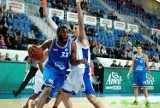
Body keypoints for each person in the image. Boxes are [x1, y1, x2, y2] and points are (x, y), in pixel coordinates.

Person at [62, 0, 104, 108]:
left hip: (83, 72)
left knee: (90, 97)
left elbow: (81, 23)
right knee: (64, 96)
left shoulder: (83, 40)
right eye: (73, 28)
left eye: (76, 28)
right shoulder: (73, 41)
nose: (74, 29)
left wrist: (78, 5)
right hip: (73, 72)